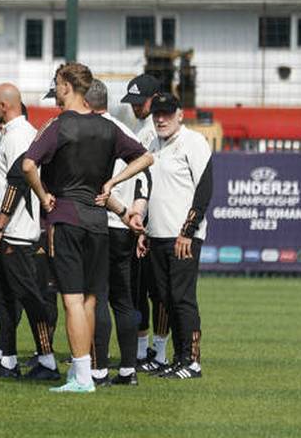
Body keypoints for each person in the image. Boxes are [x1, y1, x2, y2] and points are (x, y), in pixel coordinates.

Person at [21, 63, 153, 393]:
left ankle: (81, 376)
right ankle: (88, 371)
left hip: (66, 218)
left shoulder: (58, 125)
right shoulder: (108, 128)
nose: (56, 89)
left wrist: (44, 196)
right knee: (91, 300)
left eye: (57, 83)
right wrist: (112, 182)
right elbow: (146, 158)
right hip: (98, 223)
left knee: (72, 301)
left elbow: (28, 164)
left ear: (67, 87)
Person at [0, 83, 60, 381]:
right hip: (9, 232)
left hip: (16, 233)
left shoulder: (20, 136)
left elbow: (18, 183)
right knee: (1, 294)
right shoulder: (15, 134)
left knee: (29, 297)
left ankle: (47, 361)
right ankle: (8, 360)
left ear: (4, 105)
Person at [138, 93, 212, 380]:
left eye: (167, 114)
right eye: (157, 113)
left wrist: (188, 232)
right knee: (165, 299)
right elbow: (148, 190)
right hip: (157, 235)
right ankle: (179, 358)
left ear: (180, 115)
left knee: (182, 298)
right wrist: (144, 229)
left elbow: (204, 189)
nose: (161, 119)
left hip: (183, 236)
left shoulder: (193, 142)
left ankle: (192, 362)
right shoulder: (151, 144)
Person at [88, 79, 149, 386]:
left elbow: (95, 185)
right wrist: (136, 213)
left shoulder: (89, 132)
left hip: (99, 224)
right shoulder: (126, 132)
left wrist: (122, 210)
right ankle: (128, 370)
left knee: (97, 298)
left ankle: (98, 370)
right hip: (124, 229)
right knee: (123, 301)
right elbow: (145, 178)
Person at [120, 73, 169, 368]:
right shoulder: (139, 129)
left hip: (155, 220)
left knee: (157, 290)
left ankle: (159, 351)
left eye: (141, 101)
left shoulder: (159, 131)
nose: (136, 106)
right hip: (138, 217)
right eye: (133, 102)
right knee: (137, 290)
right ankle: (141, 350)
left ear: (155, 98)